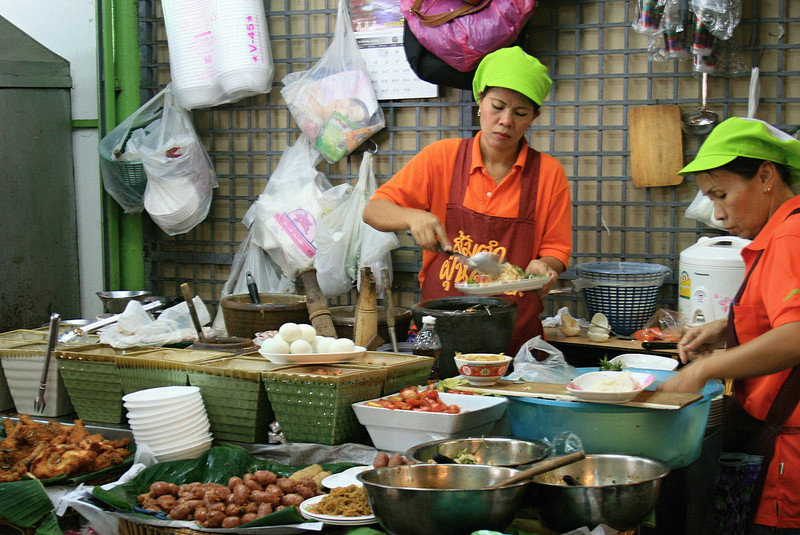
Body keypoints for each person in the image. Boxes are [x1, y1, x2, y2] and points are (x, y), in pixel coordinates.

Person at [362, 46, 572, 354]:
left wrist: (544, 266)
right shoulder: (441, 158)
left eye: (520, 113)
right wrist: (413, 217)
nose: (505, 121)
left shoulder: (548, 174)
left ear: (534, 118)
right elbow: (373, 210)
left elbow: (555, 250)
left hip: (514, 337)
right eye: (497, 106)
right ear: (479, 102)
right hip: (439, 329)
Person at [659, 117, 800, 533]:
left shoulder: (790, 238)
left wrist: (704, 368)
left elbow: (796, 334)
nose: (718, 215)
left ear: (766, 176)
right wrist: (726, 325)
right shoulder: (781, 234)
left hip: (785, 457)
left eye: (722, 195)